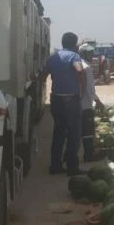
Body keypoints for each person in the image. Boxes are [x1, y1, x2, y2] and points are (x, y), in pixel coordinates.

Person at [41, 32, 86, 175]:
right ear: (74, 44)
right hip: (71, 101)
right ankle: (72, 167)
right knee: (74, 133)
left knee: (59, 132)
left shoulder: (53, 58)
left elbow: (43, 75)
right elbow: (79, 70)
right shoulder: (74, 56)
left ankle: (55, 166)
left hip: (56, 100)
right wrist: (83, 89)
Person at [78, 44, 107, 162]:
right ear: (83, 54)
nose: (92, 55)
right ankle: (89, 155)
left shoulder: (77, 64)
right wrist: (98, 101)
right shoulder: (86, 68)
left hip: (77, 104)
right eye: (89, 53)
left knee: (78, 131)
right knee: (88, 131)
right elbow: (90, 89)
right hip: (85, 104)